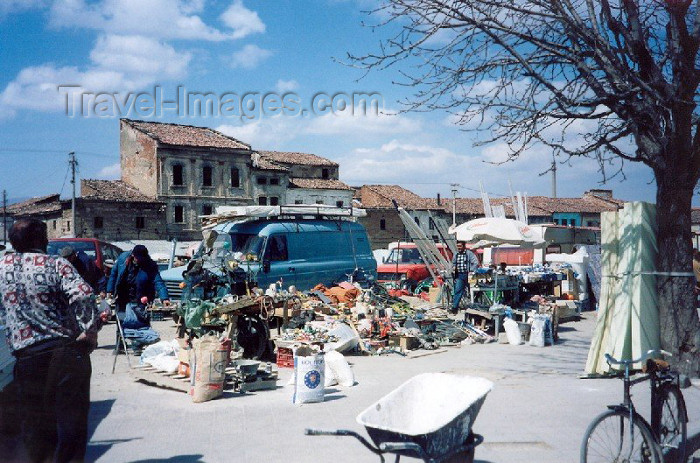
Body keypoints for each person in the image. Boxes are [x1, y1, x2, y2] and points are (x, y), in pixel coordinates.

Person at [0, 218, 101, 463]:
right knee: (71, 423)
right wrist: (89, 333)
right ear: (38, 239)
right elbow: (84, 295)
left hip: (26, 358)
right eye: (44, 236)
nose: (47, 241)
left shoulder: (1, 266)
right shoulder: (56, 264)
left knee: (35, 426)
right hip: (65, 352)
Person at [106, 245, 169, 327]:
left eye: (142, 258)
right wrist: (110, 290)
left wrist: (164, 298)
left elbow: (158, 281)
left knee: (140, 320)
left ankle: (139, 336)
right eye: (137, 257)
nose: (139, 260)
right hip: (122, 295)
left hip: (140, 296)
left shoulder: (150, 265)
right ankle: (120, 337)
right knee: (121, 320)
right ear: (133, 255)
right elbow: (114, 274)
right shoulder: (123, 259)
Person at [451, 241, 479, 314]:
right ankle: (454, 307)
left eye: (460, 246)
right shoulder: (456, 254)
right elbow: (453, 263)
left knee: (473, 290)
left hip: (467, 274)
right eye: (458, 246)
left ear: (464, 246)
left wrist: (472, 270)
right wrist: (453, 268)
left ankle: (475, 306)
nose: (459, 248)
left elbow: (475, 262)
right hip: (459, 275)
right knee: (458, 291)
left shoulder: (469, 253)